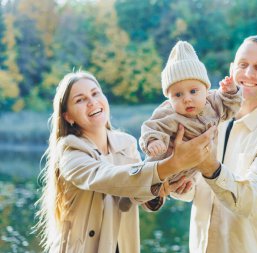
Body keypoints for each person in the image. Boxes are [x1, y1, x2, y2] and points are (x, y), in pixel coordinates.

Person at [35, 71, 215, 253]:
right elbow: (105, 178)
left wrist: (164, 186)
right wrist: (172, 165)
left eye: (95, 93)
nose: (92, 102)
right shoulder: (69, 151)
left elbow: (131, 196)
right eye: (80, 100)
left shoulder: (126, 144)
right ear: (68, 116)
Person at [176, 35, 257, 253]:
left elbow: (253, 201)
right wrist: (178, 184)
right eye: (243, 65)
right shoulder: (205, 116)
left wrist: (209, 167)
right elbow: (190, 190)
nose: (249, 74)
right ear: (232, 69)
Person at [139, 41, 241, 187]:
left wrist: (231, 91)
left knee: (183, 185)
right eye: (178, 94)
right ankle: (150, 193)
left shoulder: (214, 103)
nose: (187, 99)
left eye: (193, 91)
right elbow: (151, 126)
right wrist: (153, 141)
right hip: (165, 164)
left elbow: (231, 107)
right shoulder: (168, 112)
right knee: (149, 182)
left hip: (190, 171)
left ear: (206, 90)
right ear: (169, 98)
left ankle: (168, 192)